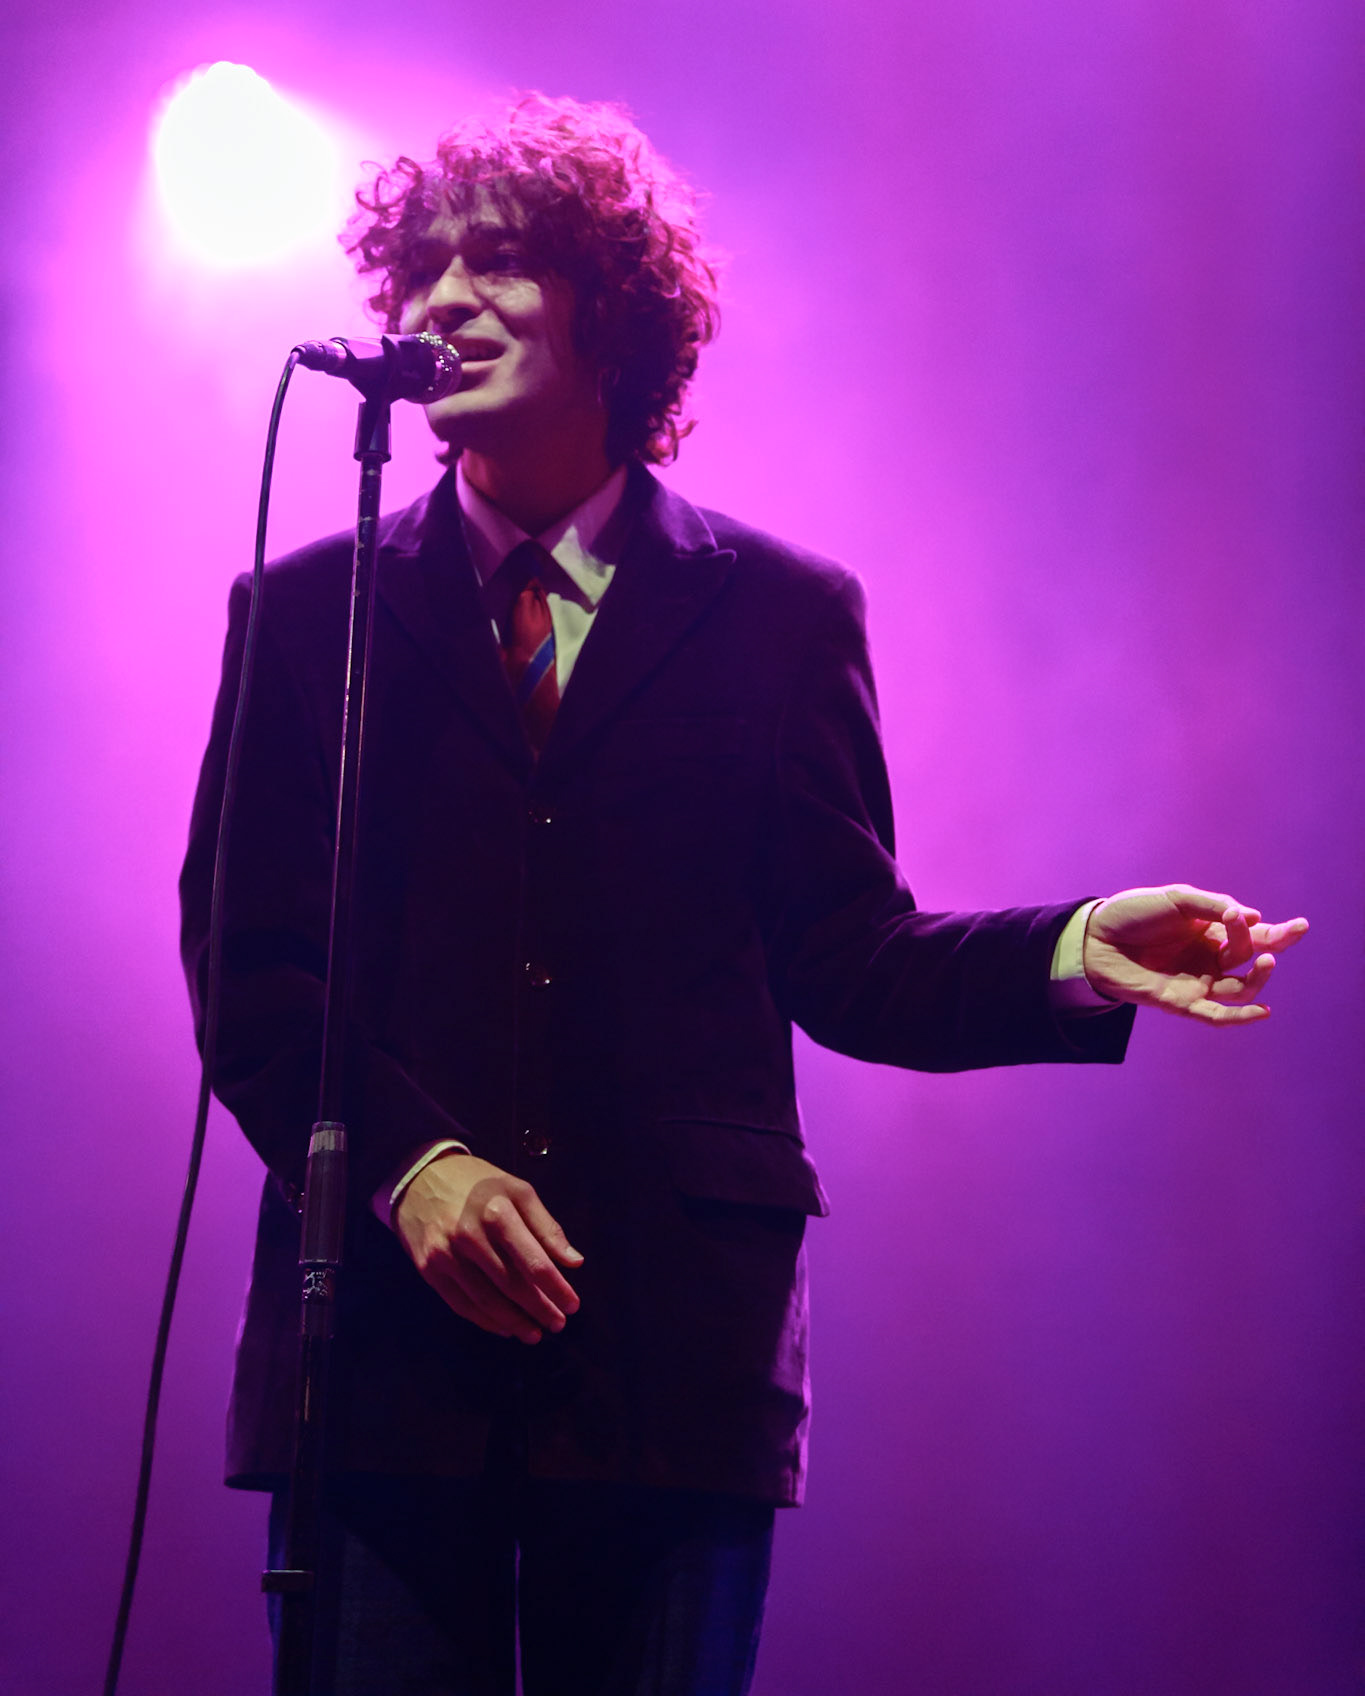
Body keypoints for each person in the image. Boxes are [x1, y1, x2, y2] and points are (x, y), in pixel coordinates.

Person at [180, 94, 1308, 1696]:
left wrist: (1069, 949)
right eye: (416, 274)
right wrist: (406, 1165)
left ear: (609, 302)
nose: (439, 301)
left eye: (492, 260)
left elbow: (847, 955)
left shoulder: (777, 614)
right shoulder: (304, 614)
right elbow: (251, 965)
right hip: (379, 1354)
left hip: (667, 1355)